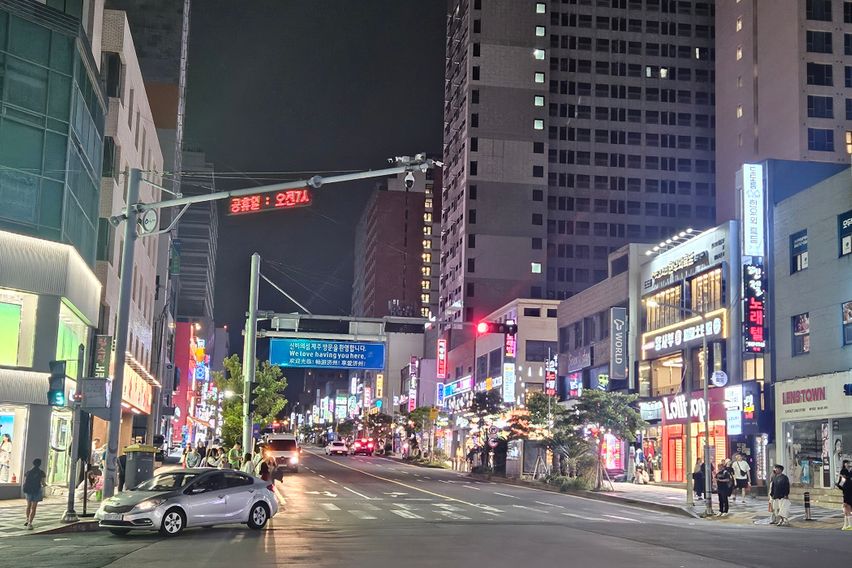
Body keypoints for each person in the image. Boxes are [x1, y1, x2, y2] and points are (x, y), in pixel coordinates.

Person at [22, 458, 46, 529]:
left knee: (28, 505)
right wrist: (44, 485)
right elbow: (42, 483)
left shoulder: (28, 472)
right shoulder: (41, 472)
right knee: (34, 507)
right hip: (36, 490)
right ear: (40, 464)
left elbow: (26, 481)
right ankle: (30, 523)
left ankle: (27, 519)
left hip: (28, 490)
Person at [836, 459, 852, 530]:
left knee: (846, 506)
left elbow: (841, 483)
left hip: (847, 491)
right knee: (846, 506)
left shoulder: (846, 473)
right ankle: (846, 524)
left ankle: (849, 525)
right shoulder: (847, 472)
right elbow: (841, 483)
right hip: (847, 490)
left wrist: (840, 486)